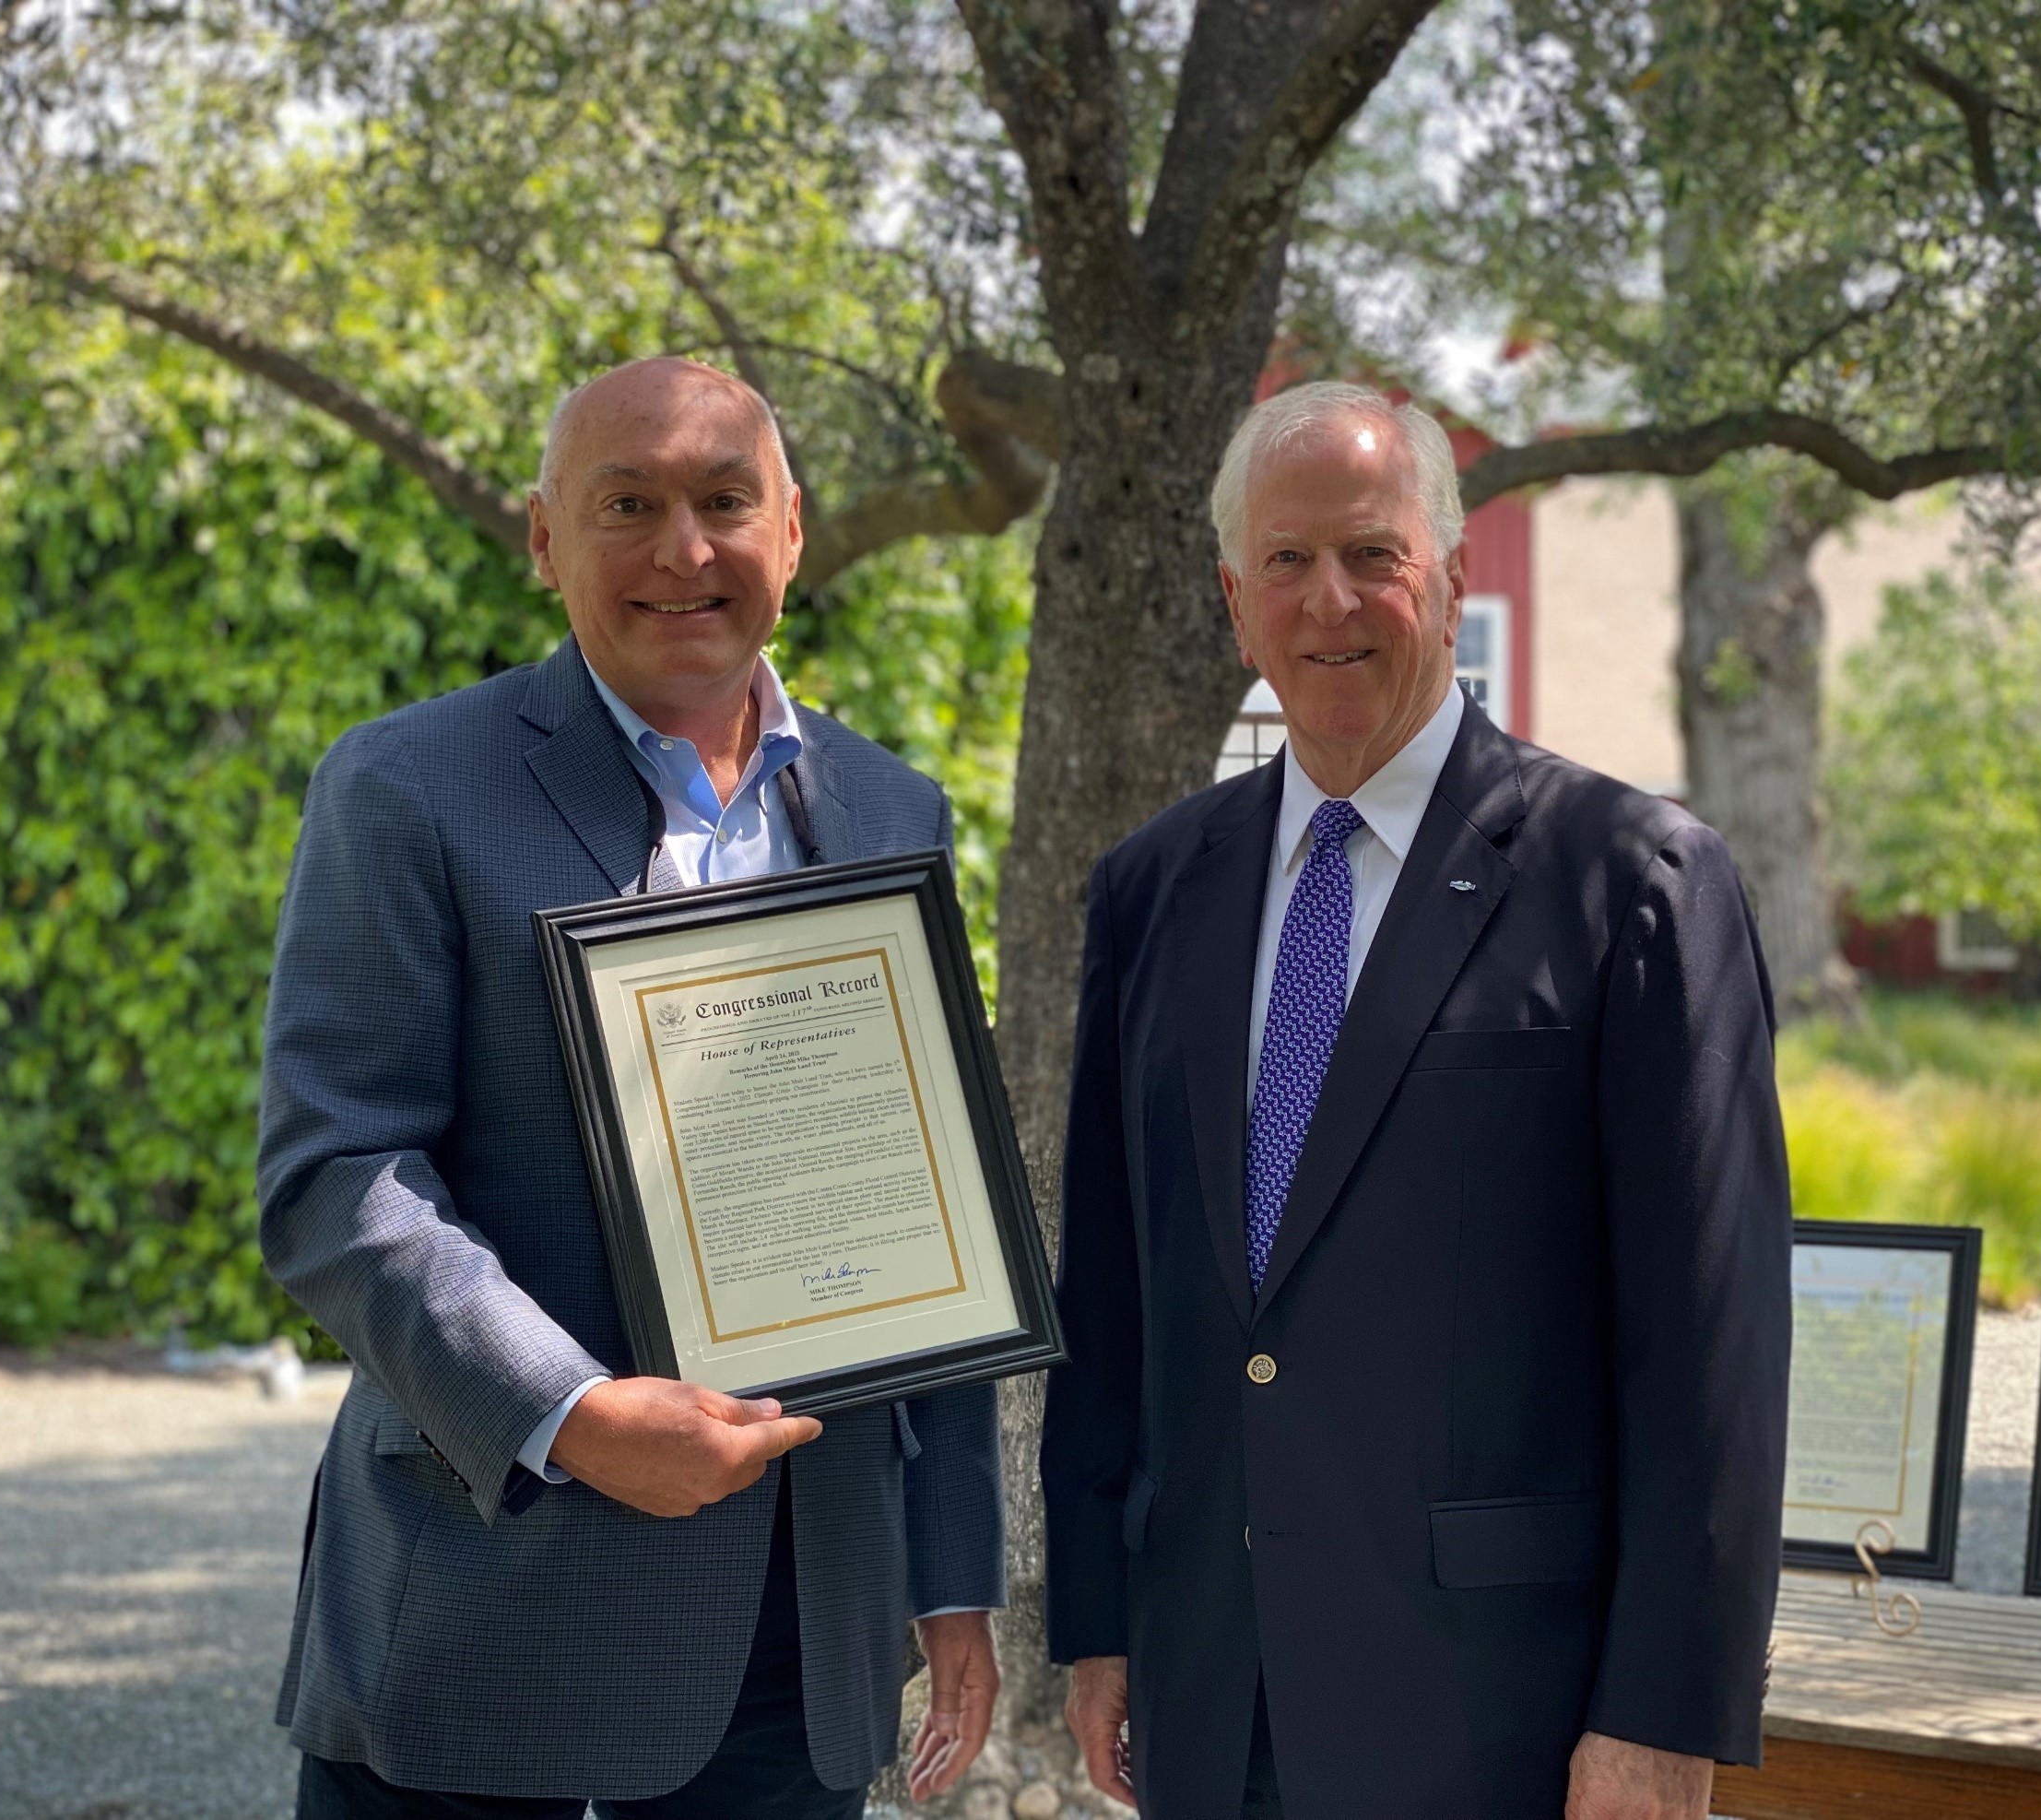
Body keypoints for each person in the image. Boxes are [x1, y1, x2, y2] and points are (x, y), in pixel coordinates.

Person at [258, 358, 1003, 1819]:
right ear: (546, 539)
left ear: (790, 529)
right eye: (627, 504)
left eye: (725, 501)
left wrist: (955, 1570)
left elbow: (936, 1203)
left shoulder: (887, 807)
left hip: (803, 1637)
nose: (684, 548)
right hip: (490, 1612)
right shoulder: (408, 789)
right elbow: (339, 1175)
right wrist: (575, 1411)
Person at [1039, 382, 1790, 1820]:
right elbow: (1119, 1293)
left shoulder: (1632, 884)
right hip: (1213, 1680)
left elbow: (1711, 1353)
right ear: (1234, 598)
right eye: (1286, 560)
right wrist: (1100, 1615)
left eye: (1372, 554)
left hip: (1502, 1710)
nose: (1331, 600)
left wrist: (1661, 1714)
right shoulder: (1153, 888)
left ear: (1448, 576)